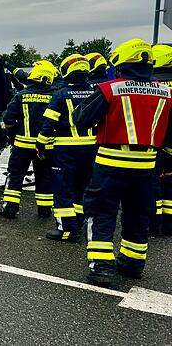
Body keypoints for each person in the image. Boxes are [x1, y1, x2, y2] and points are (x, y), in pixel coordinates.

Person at [73, 39, 172, 286]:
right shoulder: (166, 93)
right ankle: (132, 264)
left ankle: (101, 267)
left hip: (110, 163)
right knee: (138, 215)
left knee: (101, 212)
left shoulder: (111, 89)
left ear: (121, 64)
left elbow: (82, 120)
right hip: (147, 167)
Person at [36, 55, 96, 242]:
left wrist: (41, 144)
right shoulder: (95, 92)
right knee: (81, 188)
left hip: (66, 149)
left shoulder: (60, 94)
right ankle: (78, 223)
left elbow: (49, 124)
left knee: (63, 189)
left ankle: (66, 230)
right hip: (90, 148)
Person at [0, 61, 57, 219]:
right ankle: (44, 210)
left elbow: (8, 118)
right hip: (46, 146)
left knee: (15, 175)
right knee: (45, 177)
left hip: (22, 145)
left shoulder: (21, 95)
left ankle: (10, 208)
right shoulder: (55, 96)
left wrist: (12, 134)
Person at [152, 44, 172, 236]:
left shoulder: (155, 86)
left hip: (158, 144)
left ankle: (155, 225)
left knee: (155, 186)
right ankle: (169, 225)